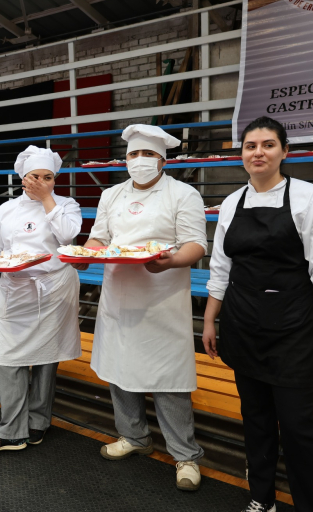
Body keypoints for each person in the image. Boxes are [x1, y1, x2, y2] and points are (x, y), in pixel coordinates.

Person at [202, 116, 313, 512]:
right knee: (255, 418)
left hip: (295, 329)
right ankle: (261, 498)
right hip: (243, 324)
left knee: (300, 427)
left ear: (284, 151)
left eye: (268, 145)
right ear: (242, 154)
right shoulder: (232, 203)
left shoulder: (310, 198)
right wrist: (209, 319)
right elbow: (221, 267)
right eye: (250, 146)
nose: (259, 153)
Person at [75, 124, 208, 491]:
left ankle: (185, 455)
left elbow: (196, 244)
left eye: (147, 154)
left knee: (169, 379)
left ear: (162, 160)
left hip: (161, 296)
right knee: (119, 368)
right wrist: (85, 254)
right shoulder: (112, 194)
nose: (139, 160)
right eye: (133, 154)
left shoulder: (183, 194)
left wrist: (170, 261)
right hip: (119, 293)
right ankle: (134, 436)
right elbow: (100, 237)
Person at [0, 146, 82, 452]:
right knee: (8, 358)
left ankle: (38, 422)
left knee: (47, 358)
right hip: (15, 288)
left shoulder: (66, 205)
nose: (41, 182)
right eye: (35, 176)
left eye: (48, 177)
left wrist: (47, 199)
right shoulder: (6, 210)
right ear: (23, 177)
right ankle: (12, 428)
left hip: (53, 288)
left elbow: (67, 236)